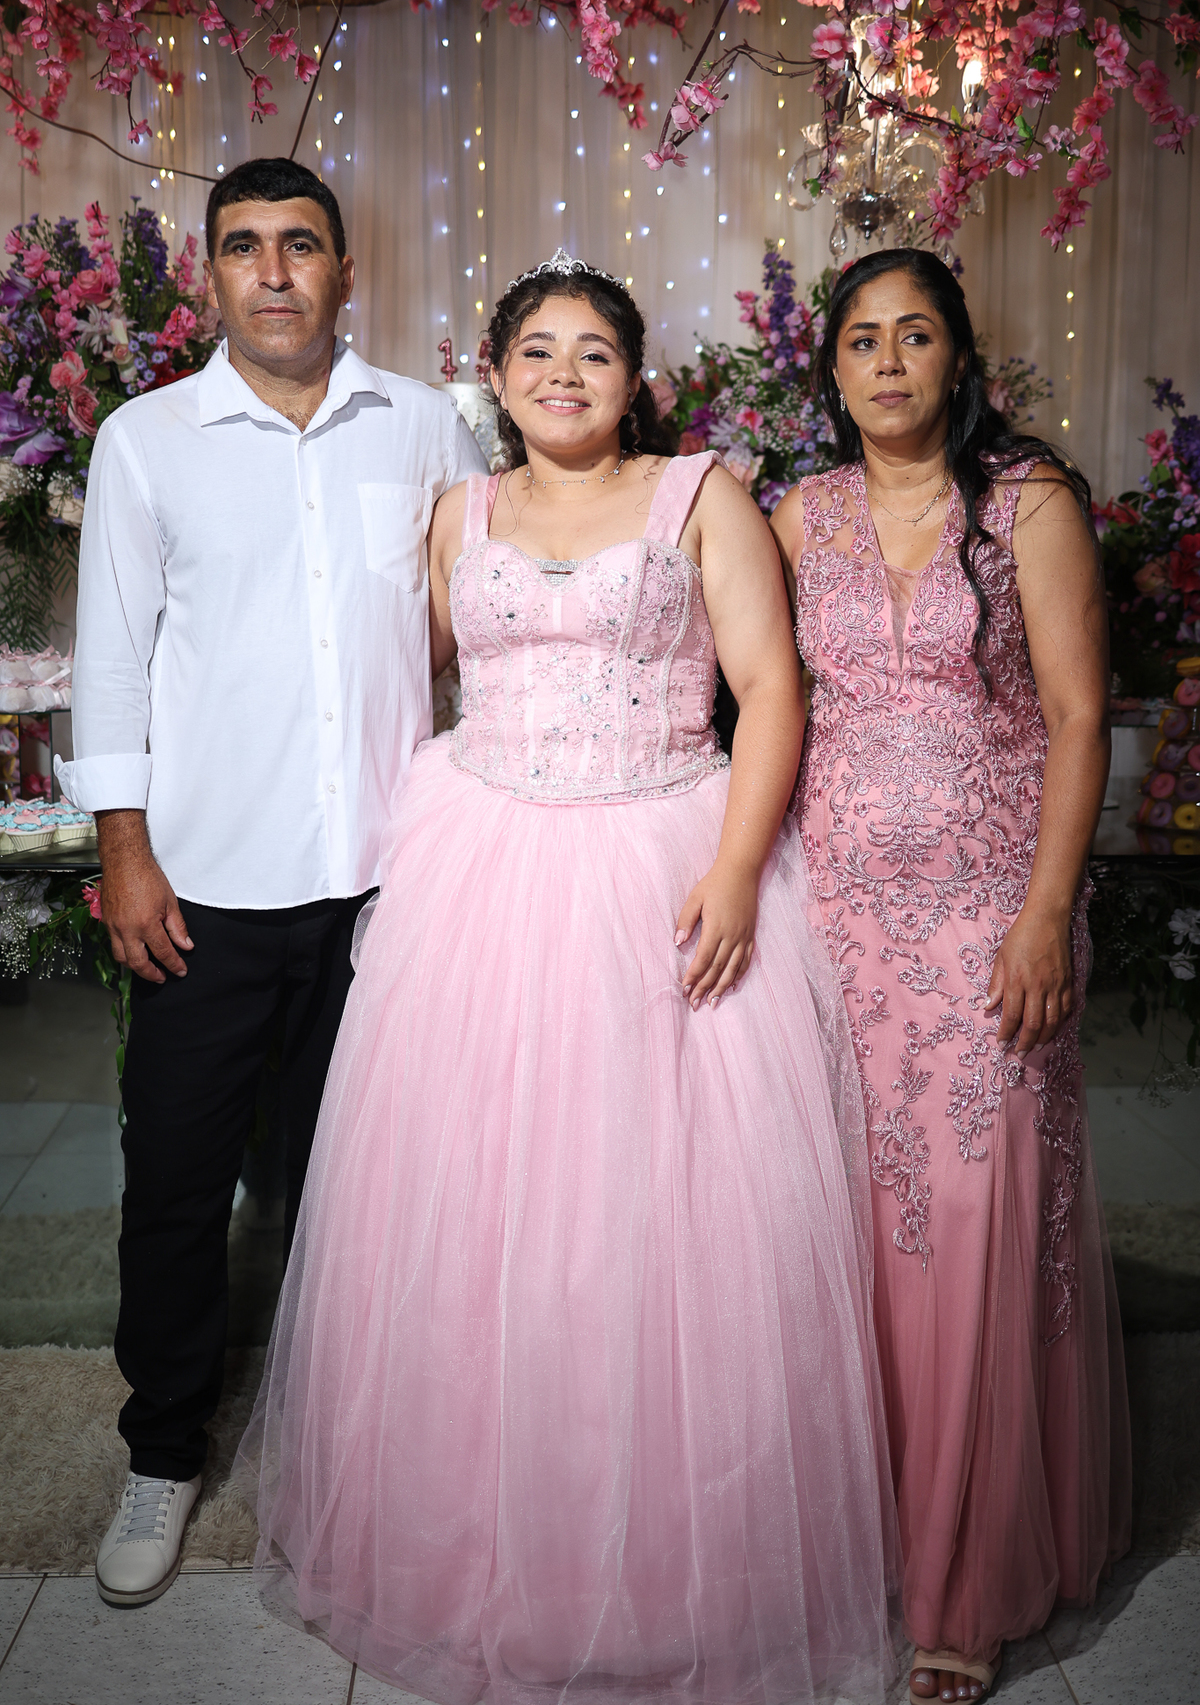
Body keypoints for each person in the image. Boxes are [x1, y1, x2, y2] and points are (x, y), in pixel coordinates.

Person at [236, 251, 900, 1704]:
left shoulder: (701, 496)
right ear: (494, 373)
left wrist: (737, 869)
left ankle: (676, 1566)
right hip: (481, 868)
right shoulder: (456, 513)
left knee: (659, 1218)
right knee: (477, 1208)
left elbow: (771, 688)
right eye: (536, 350)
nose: (563, 374)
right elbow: (393, 680)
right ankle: (473, 1543)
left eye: (593, 351)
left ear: (633, 377)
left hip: (660, 860)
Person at [56, 156, 488, 1609]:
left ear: (345, 271)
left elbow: (473, 621)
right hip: (204, 888)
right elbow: (114, 657)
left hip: (385, 886)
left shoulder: (426, 426)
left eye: (301, 245)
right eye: (244, 247)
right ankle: (163, 1449)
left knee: (359, 1187)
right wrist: (124, 848)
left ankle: (362, 1439)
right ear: (212, 276)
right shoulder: (147, 440)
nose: (276, 272)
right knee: (178, 1184)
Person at [771, 249, 1131, 1705]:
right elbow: (756, 698)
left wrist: (1047, 914)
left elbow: (1080, 714)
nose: (889, 361)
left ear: (959, 359)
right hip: (839, 918)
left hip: (992, 916)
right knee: (857, 1230)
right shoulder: (796, 516)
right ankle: (869, 1537)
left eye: (915, 335)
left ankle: (965, 1585)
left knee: (976, 1222)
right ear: (832, 370)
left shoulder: (1026, 504)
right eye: (863, 339)